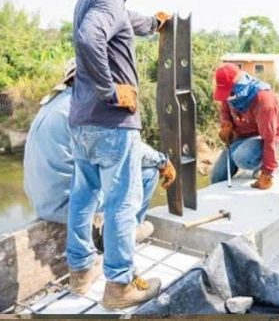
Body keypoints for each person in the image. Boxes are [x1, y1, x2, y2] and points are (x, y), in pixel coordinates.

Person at [67, 0, 173, 309]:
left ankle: (80, 270)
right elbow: (89, 37)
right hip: (112, 122)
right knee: (122, 204)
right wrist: (109, 90)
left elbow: (130, 22)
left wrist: (156, 24)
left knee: (83, 196)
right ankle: (120, 286)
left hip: (82, 122)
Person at [22, 59, 175, 245]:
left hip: (45, 203)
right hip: (67, 205)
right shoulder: (85, 109)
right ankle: (124, 234)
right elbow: (128, 149)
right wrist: (162, 161)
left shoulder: (55, 102)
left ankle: (112, 229)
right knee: (148, 173)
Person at [210, 63, 279, 190]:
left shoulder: (263, 100)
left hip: (265, 138)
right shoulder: (231, 93)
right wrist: (226, 125)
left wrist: (267, 172)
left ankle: (260, 166)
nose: (227, 97)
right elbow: (225, 110)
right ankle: (239, 151)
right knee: (217, 177)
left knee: (242, 157)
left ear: (238, 86)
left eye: (229, 93)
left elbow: (269, 138)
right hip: (241, 138)